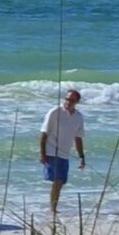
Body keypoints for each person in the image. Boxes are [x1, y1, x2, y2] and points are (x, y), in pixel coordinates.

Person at [39, 87, 86, 217]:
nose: (68, 102)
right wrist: (42, 153)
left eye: (71, 100)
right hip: (51, 151)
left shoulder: (78, 117)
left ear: (77, 102)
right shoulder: (54, 112)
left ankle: (53, 207)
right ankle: (53, 209)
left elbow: (78, 138)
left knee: (60, 182)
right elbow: (43, 133)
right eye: (66, 99)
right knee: (58, 181)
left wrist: (81, 156)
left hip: (64, 154)